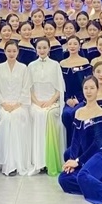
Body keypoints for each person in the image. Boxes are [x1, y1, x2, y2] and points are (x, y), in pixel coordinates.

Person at [58, 76, 102, 204]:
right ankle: (100, 185)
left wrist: (78, 161)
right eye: (86, 88)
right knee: (63, 179)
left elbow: (97, 143)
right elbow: (75, 140)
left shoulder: (101, 113)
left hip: (100, 155)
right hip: (84, 157)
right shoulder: (78, 113)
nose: (88, 91)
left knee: (83, 175)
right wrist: (71, 160)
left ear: (97, 90)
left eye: (92, 88)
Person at [0, 41, 33, 176]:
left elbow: (26, 88)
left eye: (14, 51)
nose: (11, 53)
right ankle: (7, 164)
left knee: (15, 118)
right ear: (4, 52)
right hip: (3, 105)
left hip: (20, 105)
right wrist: (4, 104)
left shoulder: (23, 68)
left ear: (18, 52)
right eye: (9, 51)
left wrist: (16, 104)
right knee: (6, 119)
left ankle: (17, 163)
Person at [28, 38, 66, 175]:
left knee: (48, 115)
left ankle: (50, 161)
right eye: (39, 48)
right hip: (36, 102)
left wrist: (50, 101)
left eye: (45, 47)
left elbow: (60, 89)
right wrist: (37, 102)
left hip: (53, 102)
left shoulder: (55, 65)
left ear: (49, 49)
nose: (42, 50)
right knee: (37, 114)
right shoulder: (31, 66)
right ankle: (38, 162)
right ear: (36, 49)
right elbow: (29, 89)